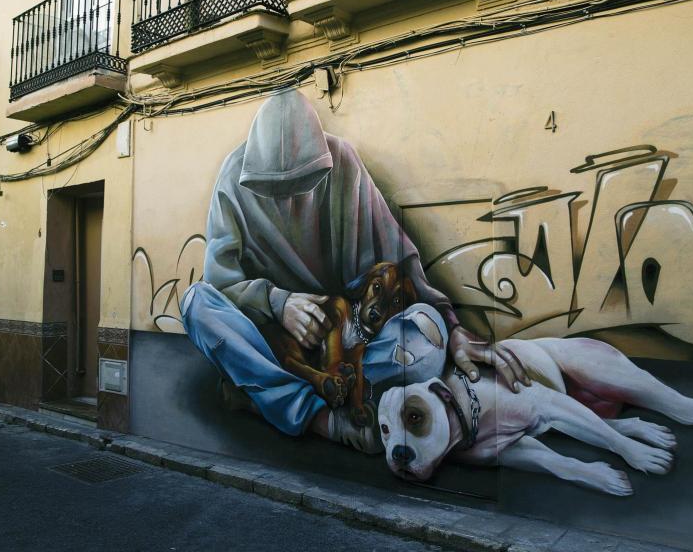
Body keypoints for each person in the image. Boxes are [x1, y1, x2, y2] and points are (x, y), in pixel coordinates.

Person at [181, 90, 529, 453]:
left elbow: (399, 254)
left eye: (302, 184)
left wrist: (452, 328)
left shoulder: (344, 162)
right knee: (195, 304)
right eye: (273, 189)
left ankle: (257, 394)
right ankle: (319, 418)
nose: (289, 199)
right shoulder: (231, 178)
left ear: (322, 164)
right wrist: (278, 303)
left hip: (351, 338)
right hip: (269, 340)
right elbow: (220, 282)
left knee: (427, 335)